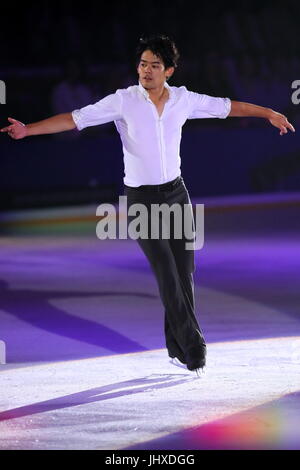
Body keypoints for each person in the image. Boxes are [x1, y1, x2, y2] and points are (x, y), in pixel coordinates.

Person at [1, 35, 295, 374]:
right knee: (167, 274)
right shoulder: (123, 100)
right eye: (143, 64)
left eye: (155, 65)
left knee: (185, 274)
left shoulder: (184, 99)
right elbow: (75, 118)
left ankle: (175, 345)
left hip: (176, 195)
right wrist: (28, 130)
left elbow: (228, 107)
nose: (147, 70)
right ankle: (194, 345)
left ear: (168, 70)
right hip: (140, 200)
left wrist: (269, 113)